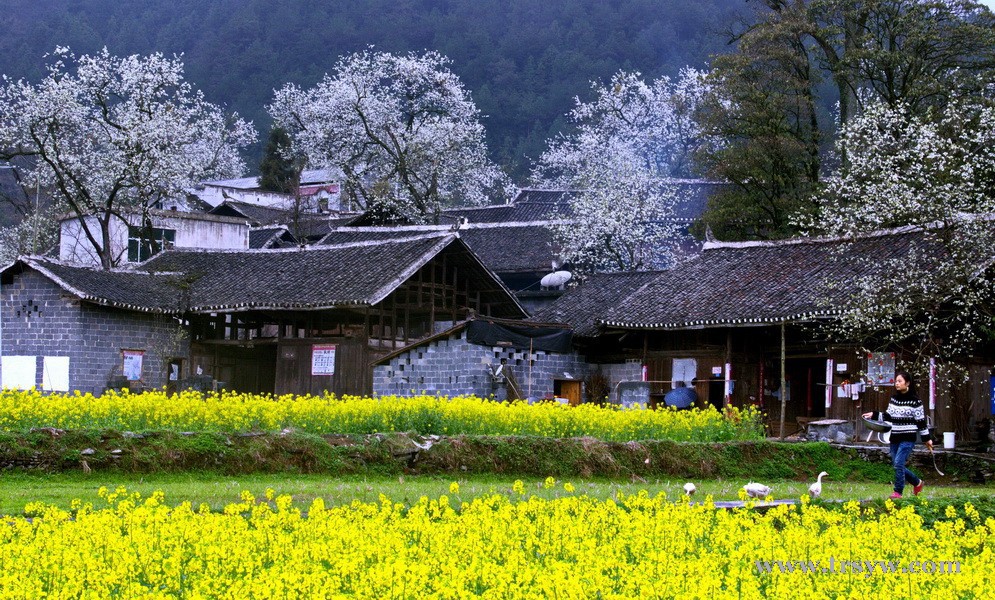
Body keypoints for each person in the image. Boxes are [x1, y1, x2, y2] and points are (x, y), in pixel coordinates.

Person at [862, 370, 933, 498]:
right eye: (896, 381)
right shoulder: (894, 399)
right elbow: (889, 416)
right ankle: (917, 482)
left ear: (908, 383)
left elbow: (921, 422)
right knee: (896, 465)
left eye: (900, 381)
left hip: (908, 438)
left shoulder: (915, 402)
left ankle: (898, 492)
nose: (897, 383)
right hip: (894, 437)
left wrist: (927, 439)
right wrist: (874, 414)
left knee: (899, 463)